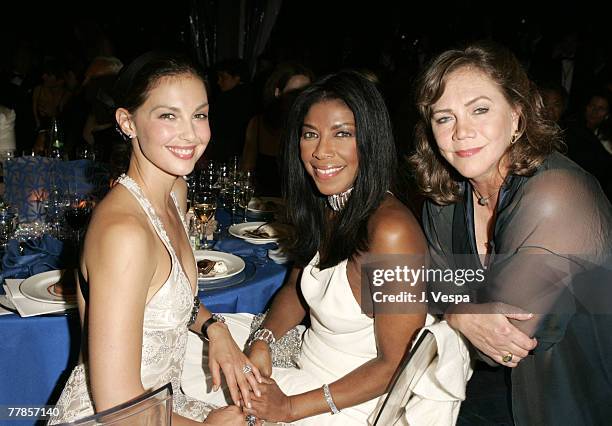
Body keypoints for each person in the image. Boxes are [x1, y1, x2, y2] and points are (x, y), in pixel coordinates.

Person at [182, 70, 427, 424]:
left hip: (350, 400)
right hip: (304, 362)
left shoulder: (391, 232)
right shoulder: (327, 206)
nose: (321, 151)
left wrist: (290, 408)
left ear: (371, 141)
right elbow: (297, 289)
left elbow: (397, 363)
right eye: (311, 134)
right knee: (174, 345)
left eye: (342, 133)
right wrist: (265, 340)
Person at [48, 52, 259, 425]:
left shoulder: (175, 190)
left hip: (162, 402)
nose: (191, 134)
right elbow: (117, 409)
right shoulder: (123, 235)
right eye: (167, 116)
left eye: (199, 114)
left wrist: (214, 328)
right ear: (127, 122)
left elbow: (164, 298)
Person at [410, 40, 612, 425]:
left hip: (584, 394)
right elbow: (411, 282)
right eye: (444, 117)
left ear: (518, 116)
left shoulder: (557, 195)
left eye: (480, 110)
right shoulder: (445, 200)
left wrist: (451, 305)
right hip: (505, 391)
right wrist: (459, 310)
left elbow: (505, 345)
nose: (461, 131)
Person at [241, 62, 314, 195]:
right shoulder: (258, 124)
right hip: (263, 204)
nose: (299, 99)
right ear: (277, 92)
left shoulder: (312, 128)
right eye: (293, 92)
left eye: (305, 93)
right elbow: (247, 170)